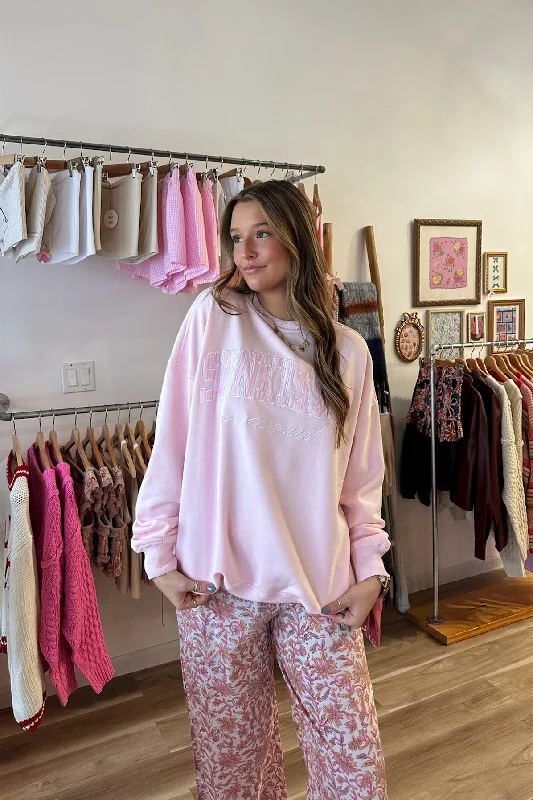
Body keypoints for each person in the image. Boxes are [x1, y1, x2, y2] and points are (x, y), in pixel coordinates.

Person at [132, 180, 390, 799]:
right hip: (216, 587)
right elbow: (174, 442)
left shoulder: (350, 352)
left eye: (262, 233)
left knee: (355, 763)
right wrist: (157, 553)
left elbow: (360, 480)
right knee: (233, 772)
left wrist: (371, 571)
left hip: (319, 587)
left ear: (298, 237)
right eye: (236, 238)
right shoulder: (212, 322)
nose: (245, 251)